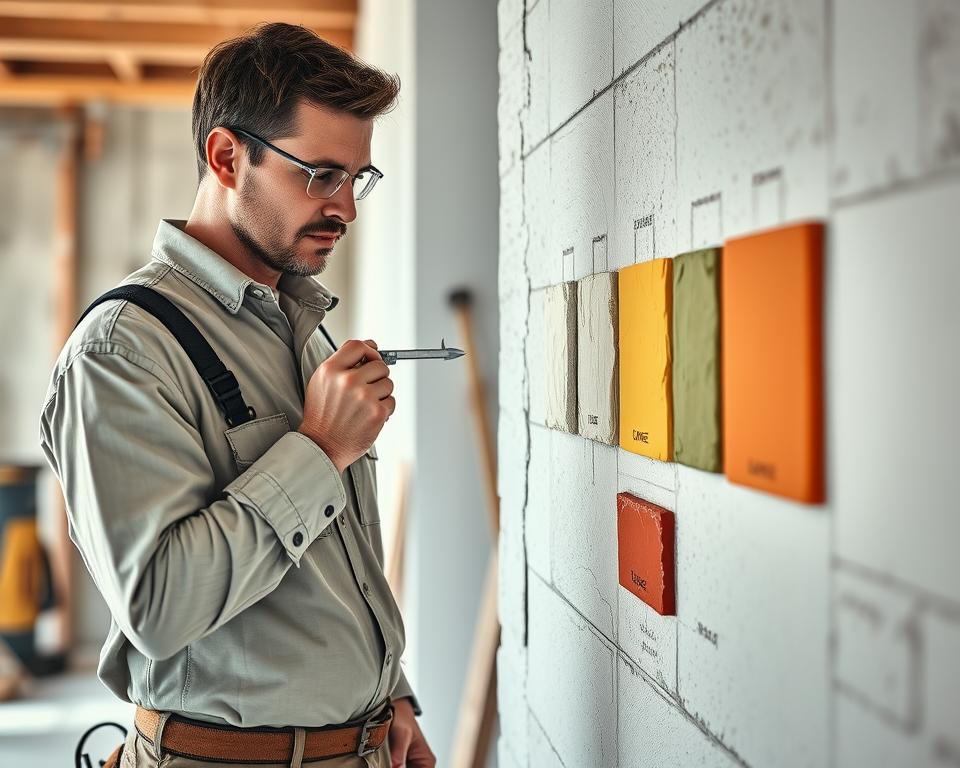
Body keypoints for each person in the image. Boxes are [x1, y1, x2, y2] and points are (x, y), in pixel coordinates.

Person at [39, 22, 435, 768]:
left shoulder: (299, 325)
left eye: (358, 178)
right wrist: (318, 450)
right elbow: (158, 607)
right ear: (227, 156)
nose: (346, 207)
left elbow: (323, 574)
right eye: (320, 175)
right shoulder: (123, 350)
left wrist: (392, 698)